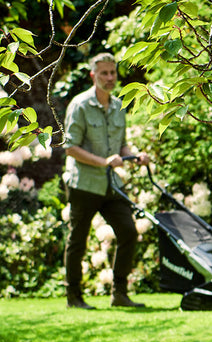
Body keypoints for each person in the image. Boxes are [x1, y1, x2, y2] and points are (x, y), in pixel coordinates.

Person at [62, 52, 150, 309]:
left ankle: (119, 294)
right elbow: (70, 148)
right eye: (104, 73)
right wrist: (104, 162)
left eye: (113, 73)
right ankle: (74, 298)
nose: (110, 78)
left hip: (111, 184)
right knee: (78, 240)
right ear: (93, 75)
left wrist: (135, 155)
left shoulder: (118, 106)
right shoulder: (79, 105)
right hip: (84, 184)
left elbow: (121, 146)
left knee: (128, 233)